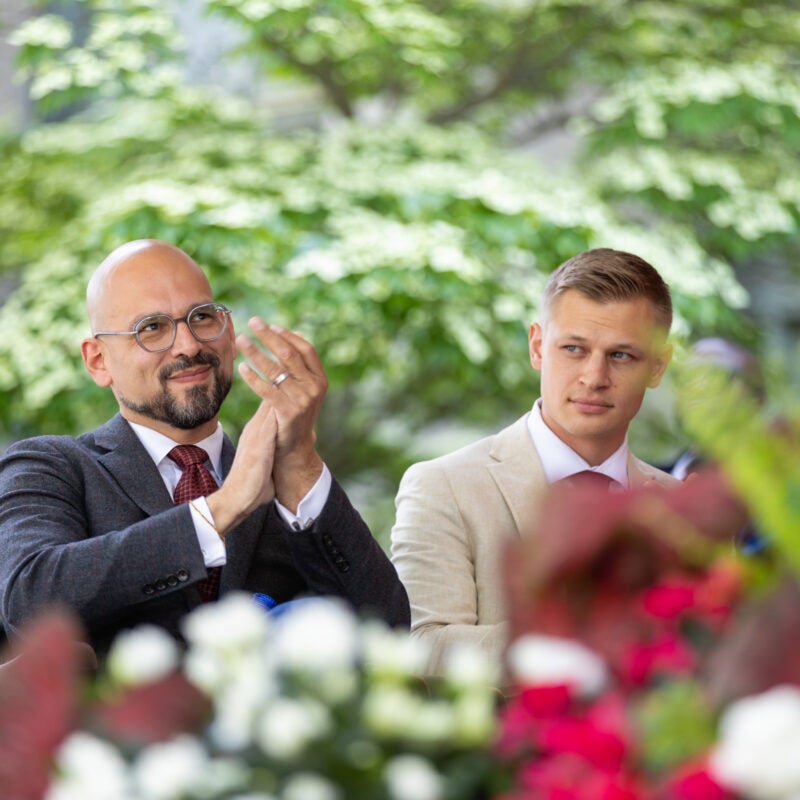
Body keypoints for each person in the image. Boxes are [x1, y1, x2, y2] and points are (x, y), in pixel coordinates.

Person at [0, 239, 409, 656]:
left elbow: (388, 631)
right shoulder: (51, 466)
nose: (189, 346)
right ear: (98, 361)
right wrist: (224, 507)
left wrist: (300, 463)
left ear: (229, 333)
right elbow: (28, 603)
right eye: (152, 328)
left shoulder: (288, 485)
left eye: (202, 317)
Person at [390, 248, 678, 675]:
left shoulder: (683, 507)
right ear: (538, 346)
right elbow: (423, 648)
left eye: (621, 356)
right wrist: (579, 641)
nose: (594, 378)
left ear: (657, 366)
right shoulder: (443, 486)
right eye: (574, 349)